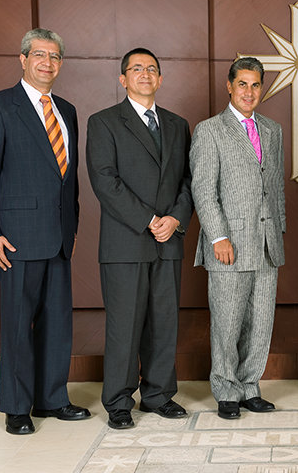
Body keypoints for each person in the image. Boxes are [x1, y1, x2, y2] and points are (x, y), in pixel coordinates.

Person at [0, 28, 90, 434]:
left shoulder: (67, 110)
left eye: (54, 56)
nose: (47, 62)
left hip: (59, 236)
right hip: (15, 238)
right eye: (39, 54)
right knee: (18, 325)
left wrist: (72, 224)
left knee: (57, 324)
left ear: (61, 63)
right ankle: (17, 407)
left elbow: (68, 178)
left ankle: (52, 399)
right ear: (23, 59)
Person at [86, 48, 193, 429]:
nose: (145, 74)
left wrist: (175, 218)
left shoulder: (178, 124)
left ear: (160, 79)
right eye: (136, 69)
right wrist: (149, 219)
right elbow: (105, 180)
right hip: (126, 242)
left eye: (151, 69)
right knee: (125, 326)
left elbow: (188, 179)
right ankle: (118, 401)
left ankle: (158, 395)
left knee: (164, 323)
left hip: (169, 240)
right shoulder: (104, 122)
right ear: (123, 79)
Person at [190, 57, 285, 420]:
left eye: (255, 84)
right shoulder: (210, 130)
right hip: (228, 244)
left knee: (260, 322)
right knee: (227, 323)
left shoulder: (272, 130)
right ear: (229, 86)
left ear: (262, 88)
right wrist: (218, 236)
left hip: (266, 243)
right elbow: (203, 189)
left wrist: (278, 230)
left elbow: (276, 187)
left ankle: (249, 387)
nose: (249, 91)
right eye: (242, 84)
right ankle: (226, 390)